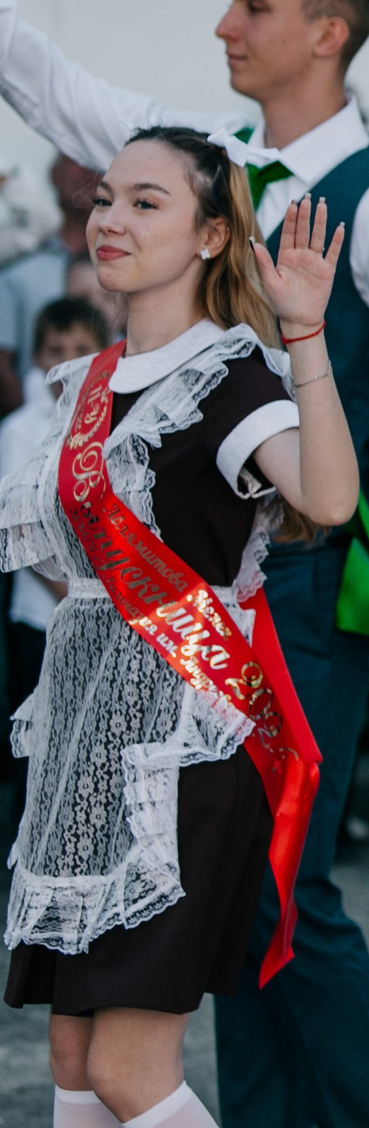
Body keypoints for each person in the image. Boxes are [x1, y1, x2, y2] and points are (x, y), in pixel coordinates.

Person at [0, 0, 369, 1128]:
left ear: (325, 33)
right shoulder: (205, 159)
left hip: (307, 582)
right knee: (233, 894)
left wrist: (319, 488)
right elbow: (47, 84)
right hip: (167, 594)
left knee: (287, 877)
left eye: (251, 5)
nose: (223, 25)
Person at [2, 134, 355, 1128]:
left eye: (146, 203)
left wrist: (305, 339)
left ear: (211, 234)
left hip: (179, 749)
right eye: (106, 199)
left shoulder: (231, 378)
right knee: (72, 1057)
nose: (111, 219)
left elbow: (325, 499)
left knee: (127, 1067)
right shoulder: (86, 384)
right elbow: (43, 541)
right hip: (81, 738)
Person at [0, 298, 113, 843]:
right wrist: (80, 591)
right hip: (42, 615)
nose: (67, 362)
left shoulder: (112, 417)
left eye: (81, 351)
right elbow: (20, 529)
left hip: (104, 611)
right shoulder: (23, 427)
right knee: (40, 739)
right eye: (54, 352)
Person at [0, 157, 102, 417]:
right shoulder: (14, 270)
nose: (88, 169)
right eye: (75, 158)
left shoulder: (140, 270)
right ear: (53, 173)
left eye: (95, 158)